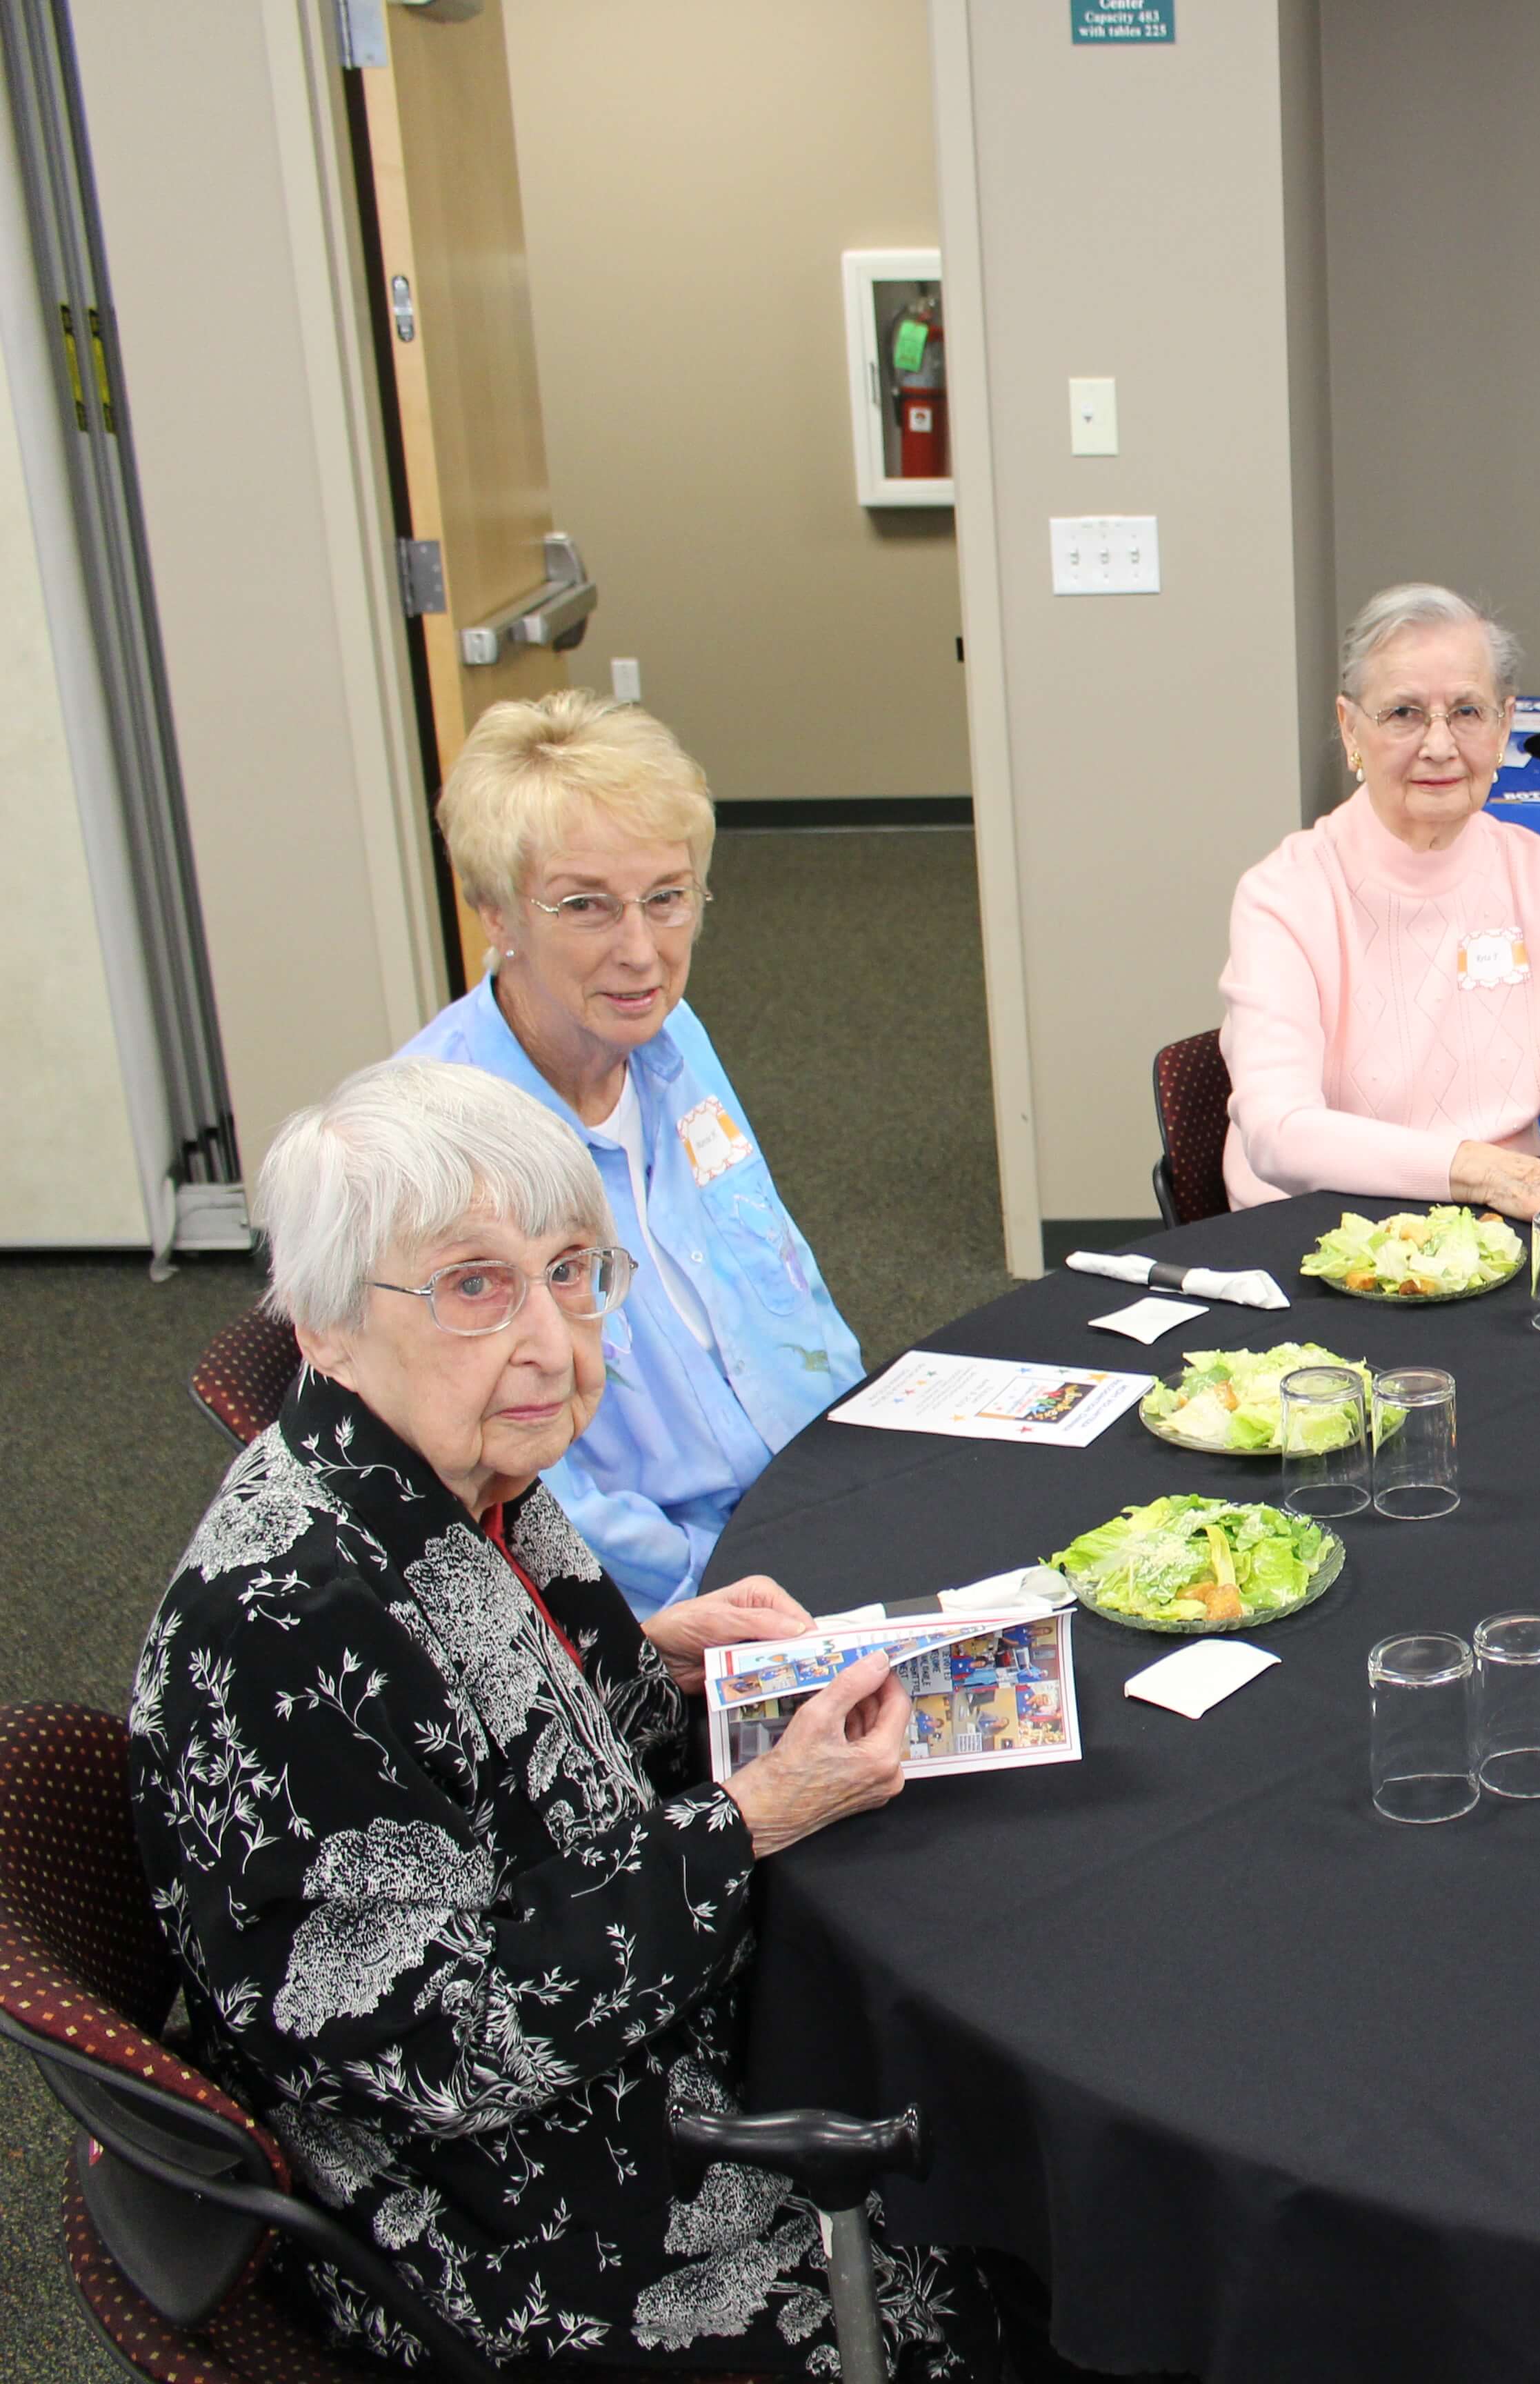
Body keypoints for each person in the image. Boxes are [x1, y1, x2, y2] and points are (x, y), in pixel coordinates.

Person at [126, 1058, 996, 2377]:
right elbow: (449, 2048)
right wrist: (751, 1817)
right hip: (509, 2209)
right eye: (475, 1285)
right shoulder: (283, 1624)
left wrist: (654, 1660)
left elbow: (491, 1738)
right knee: (1013, 2241)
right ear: (321, 1323)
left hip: (609, 2047)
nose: (552, 1340)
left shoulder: (458, 1464)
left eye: (574, 1271)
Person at [402, 692, 859, 1617]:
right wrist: (728, 1589)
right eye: (587, 907)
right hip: (676, 1592)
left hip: (814, 1489)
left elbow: (780, 1281)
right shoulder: (445, 1151)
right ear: (496, 913)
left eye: (666, 898)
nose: (643, 953)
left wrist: (871, 1464)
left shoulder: (670, 1038)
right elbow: (530, 1494)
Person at [1219, 583, 1540, 1235]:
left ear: (1504, 724)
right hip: (1323, 1233)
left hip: (1502, 1226)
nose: (1439, 745)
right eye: (1403, 713)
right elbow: (1279, 1133)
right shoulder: (1284, 895)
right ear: (1350, 729)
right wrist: (1500, 1173)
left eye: (1467, 712)